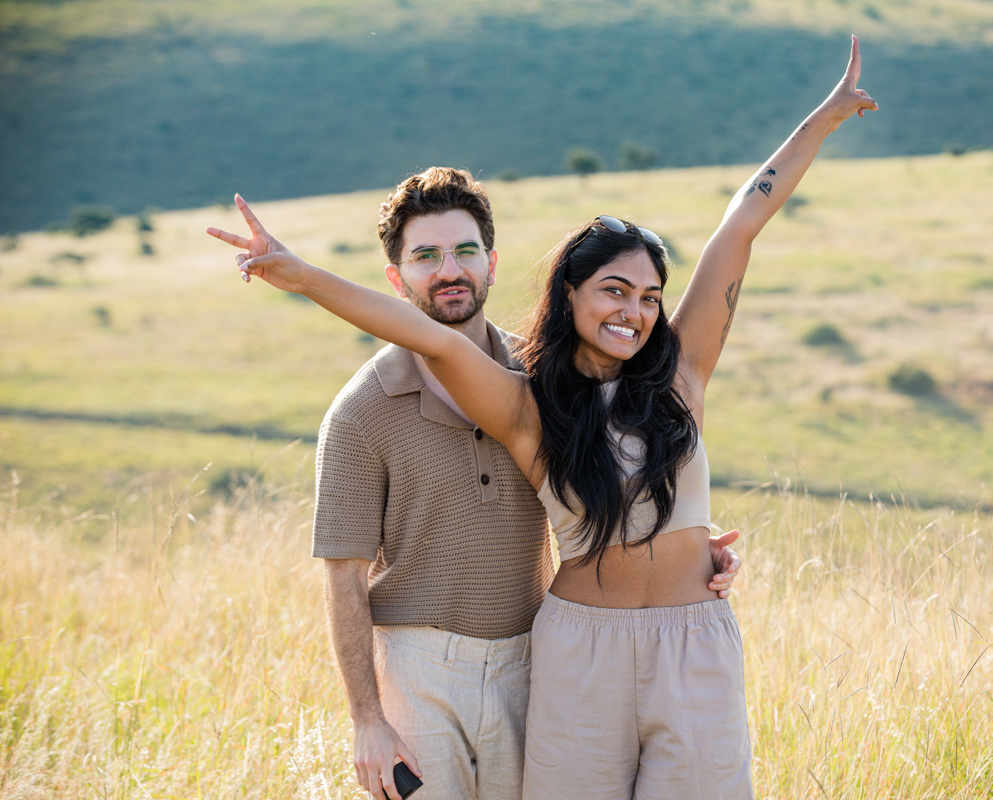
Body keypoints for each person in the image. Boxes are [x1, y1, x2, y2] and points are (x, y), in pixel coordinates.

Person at [214, 36, 875, 799]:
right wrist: (296, 274)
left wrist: (823, 120)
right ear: (571, 295)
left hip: (694, 646)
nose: (634, 311)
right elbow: (425, 335)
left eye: (650, 296)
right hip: (577, 653)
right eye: (613, 291)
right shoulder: (530, 409)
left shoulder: (683, 377)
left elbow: (740, 225)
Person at [207, 167, 742, 800]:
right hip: (421, 671)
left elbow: (619, 474)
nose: (448, 270)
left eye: (463, 251)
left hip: (535, 660)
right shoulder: (361, 413)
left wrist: (680, 552)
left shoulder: (547, 385)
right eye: (425, 256)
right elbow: (343, 578)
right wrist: (367, 721)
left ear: (491, 262)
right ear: (396, 276)